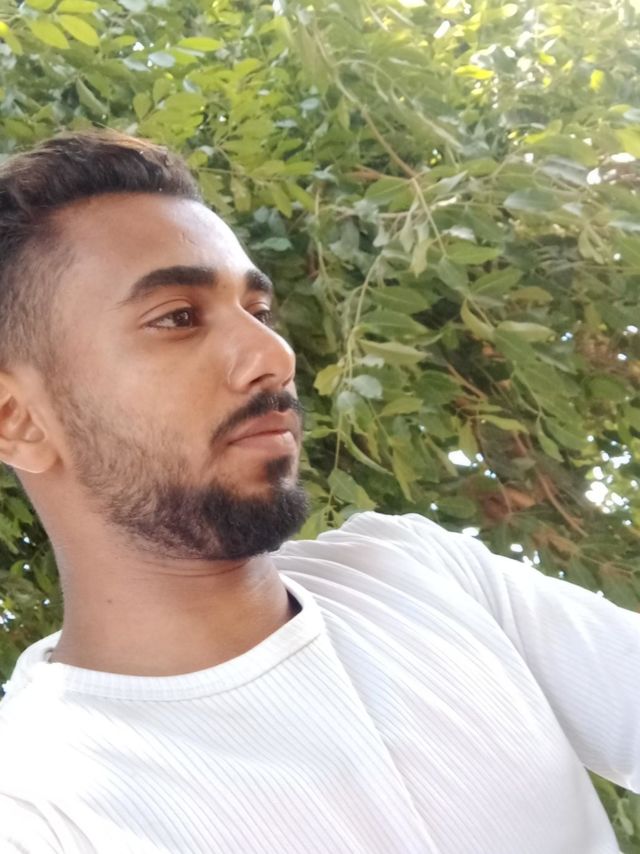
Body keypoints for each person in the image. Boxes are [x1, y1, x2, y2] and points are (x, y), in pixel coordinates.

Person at [0, 129, 636, 854]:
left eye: (258, 311)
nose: (273, 356)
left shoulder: (418, 575)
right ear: (18, 420)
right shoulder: (37, 809)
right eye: (177, 317)